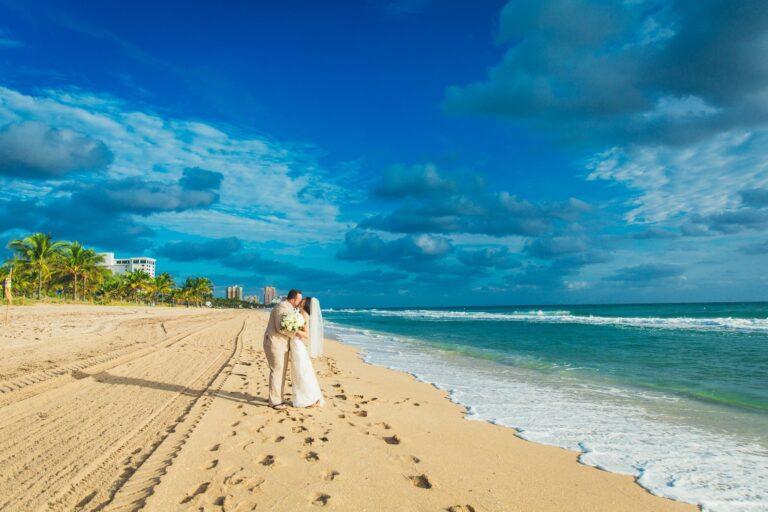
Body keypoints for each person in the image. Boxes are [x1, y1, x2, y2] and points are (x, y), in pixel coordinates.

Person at [263, 289, 303, 409]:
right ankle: (275, 401)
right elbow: (280, 328)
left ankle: (278, 397)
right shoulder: (281, 307)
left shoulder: (288, 307)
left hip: (282, 344)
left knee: (281, 372)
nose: (300, 302)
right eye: (299, 300)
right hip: (275, 343)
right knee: (277, 371)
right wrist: (296, 333)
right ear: (292, 299)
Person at [290, 296, 324, 407]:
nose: (300, 302)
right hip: (294, 344)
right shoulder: (299, 313)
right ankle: (306, 397)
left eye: (303, 301)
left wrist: (293, 328)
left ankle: (310, 399)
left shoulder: (304, 315)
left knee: (302, 372)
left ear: (306, 304)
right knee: (299, 371)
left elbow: (306, 335)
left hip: (298, 345)